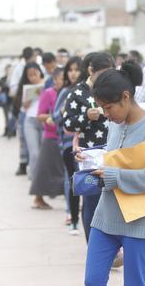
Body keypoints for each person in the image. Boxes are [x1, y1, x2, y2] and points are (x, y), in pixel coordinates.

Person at [81, 60, 145, 286]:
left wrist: (116, 177)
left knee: (134, 283)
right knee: (92, 281)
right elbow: (115, 156)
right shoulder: (114, 124)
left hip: (140, 222)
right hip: (105, 218)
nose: (106, 114)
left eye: (108, 107)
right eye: (102, 108)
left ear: (125, 97)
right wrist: (91, 157)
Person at [63, 52, 114, 241]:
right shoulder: (77, 93)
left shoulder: (113, 89)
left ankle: (114, 248)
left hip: (113, 153)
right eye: (102, 73)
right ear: (91, 70)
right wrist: (86, 117)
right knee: (91, 199)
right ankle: (93, 245)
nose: (107, 78)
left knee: (112, 198)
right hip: (88, 156)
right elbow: (67, 123)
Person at [53, 56, 83, 234]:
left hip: (87, 144)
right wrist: (65, 110)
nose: (73, 73)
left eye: (76, 69)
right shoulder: (65, 92)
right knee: (71, 179)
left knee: (87, 181)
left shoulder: (88, 91)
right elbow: (55, 116)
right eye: (70, 70)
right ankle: (72, 216)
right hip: (67, 144)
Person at [30, 68, 65, 209]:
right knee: (44, 169)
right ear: (55, 79)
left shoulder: (68, 93)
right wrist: (54, 117)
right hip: (51, 136)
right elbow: (40, 116)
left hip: (66, 136)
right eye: (61, 78)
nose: (63, 81)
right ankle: (38, 198)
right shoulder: (48, 93)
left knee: (64, 170)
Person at [15, 63, 45, 182]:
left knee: (44, 152)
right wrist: (27, 101)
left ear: (40, 72)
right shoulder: (25, 88)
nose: (33, 77)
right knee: (34, 152)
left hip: (43, 121)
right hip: (30, 121)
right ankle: (34, 177)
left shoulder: (47, 85)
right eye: (30, 75)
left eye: (35, 74)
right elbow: (24, 108)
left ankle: (43, 176)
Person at [10, 47, 37, 176]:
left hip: (36, 114)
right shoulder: (19, 69)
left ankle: (33, 167)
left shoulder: (37, 67)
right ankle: (23, 164)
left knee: (34, 145)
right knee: (24, 140)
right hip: (24, 112)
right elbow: (14, 88)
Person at [0, 65, 14, 137]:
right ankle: (7, 131)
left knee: (12, 116)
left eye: (11, 70)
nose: (9, 71)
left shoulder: (14, 79)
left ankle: (12, 130)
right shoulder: (3, 79)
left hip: (12, 100)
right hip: (5, 101)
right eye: (8, 70)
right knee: (6, 116)